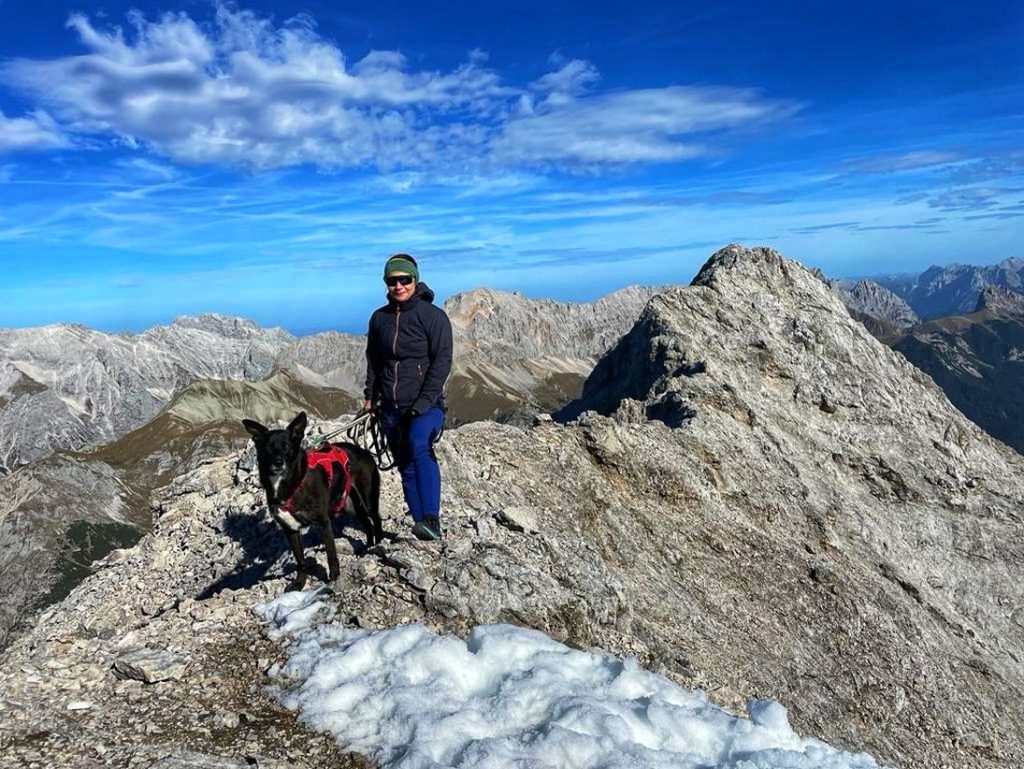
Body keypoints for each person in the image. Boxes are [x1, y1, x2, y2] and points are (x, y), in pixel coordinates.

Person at [363, 253, 453, 541]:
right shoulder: (379, 319)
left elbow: (442, 363)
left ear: (415, 279)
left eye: (405, 279)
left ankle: (432, 519)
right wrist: (370, 397)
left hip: (426, 405)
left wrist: (423, 404)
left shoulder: (433, 317)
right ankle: (421, 527)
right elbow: (374, 360)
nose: (399, 285)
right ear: (386, 283)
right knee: (404, 463)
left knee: (418, 445)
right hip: (390, 407)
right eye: (393, 280)